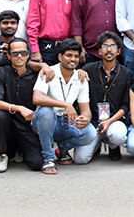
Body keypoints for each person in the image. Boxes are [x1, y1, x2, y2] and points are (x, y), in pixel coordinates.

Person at [30, 39, 96, 173]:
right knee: (46, 111)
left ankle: (62, 149)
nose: (73, 59)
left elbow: (86, 110)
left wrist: (85, 119)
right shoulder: (48, 72)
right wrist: (65, 104)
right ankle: (48, 159)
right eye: (69, 55)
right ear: (60, 57)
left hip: (66, 121)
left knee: (90, 133)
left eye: (76, 56)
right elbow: (37, 98)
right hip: (45, 122)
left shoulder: (81, 77)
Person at [0, 38, 45, 172]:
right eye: (15, 53)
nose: (19, 56)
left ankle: (20, 150)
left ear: (28, 55)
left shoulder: (37, 74)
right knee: (0, 115)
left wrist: (44, 65)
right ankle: (3, 153)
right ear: (8, 55)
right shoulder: (0, 72)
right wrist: (18, 108)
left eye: (23, 53)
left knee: (37, 163)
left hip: (26, 125)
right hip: (7, 124)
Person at [81, 32, 132, 162]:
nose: (109, 50)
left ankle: (113, 146)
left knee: (118, 136)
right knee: (80, 159)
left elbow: (126, 106)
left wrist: (108, 122)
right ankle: (96, 143)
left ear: (119, 51)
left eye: (113, 46)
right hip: (93, 121)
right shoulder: (88, 69)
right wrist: (79, 72)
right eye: (105, 46)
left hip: (114, 120)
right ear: (99, 51)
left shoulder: (126, 74)